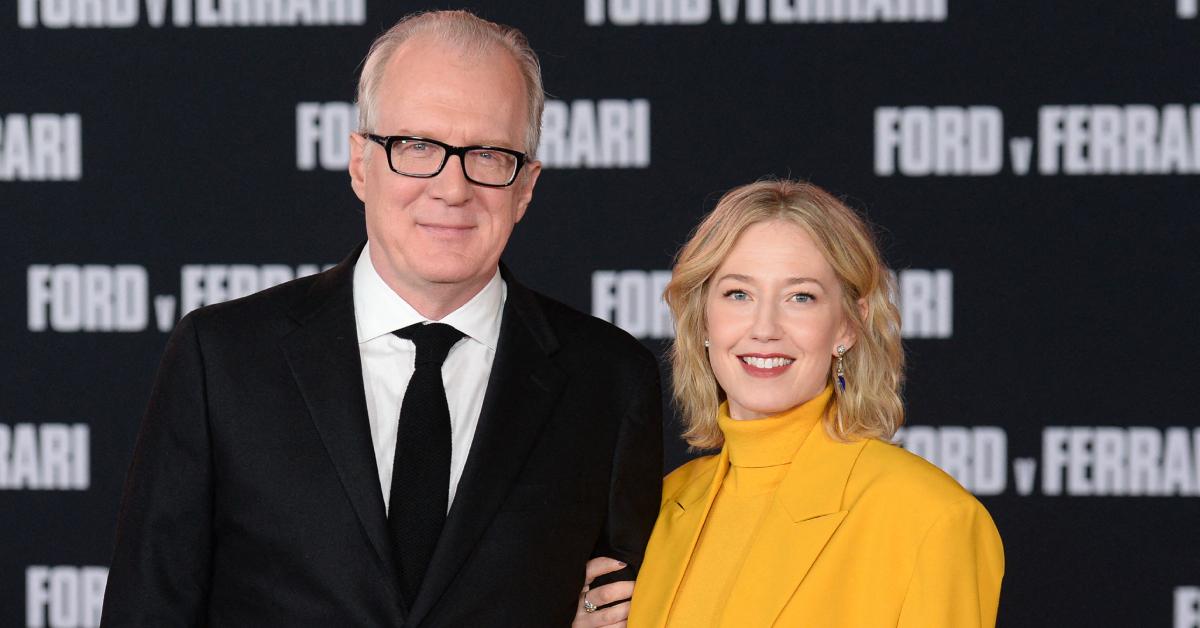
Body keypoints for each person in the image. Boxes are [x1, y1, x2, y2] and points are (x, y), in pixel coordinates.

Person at [100, 10, 662, 627]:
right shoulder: (223, 360)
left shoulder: (608, 381)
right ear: (361, 162)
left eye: (489, 154)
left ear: (525, 186)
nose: (452, 188)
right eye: (417, 146)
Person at [575, 179, 1003, 628]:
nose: (765, 327)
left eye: (801, 297)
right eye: (738, 294)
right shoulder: (660, 507)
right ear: (703, 319)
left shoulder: (932, 518)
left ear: (847, 326)